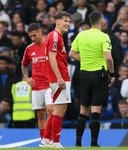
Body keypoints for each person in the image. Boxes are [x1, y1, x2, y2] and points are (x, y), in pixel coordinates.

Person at [69, 10, 115, 147]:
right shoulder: (104, 37)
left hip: (84, 75)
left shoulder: (81, 35)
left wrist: (86, 59)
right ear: (101, 21)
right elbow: (108, 58)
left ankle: (78, 143)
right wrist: (112, 74)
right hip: (99, 75)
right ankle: (94, 144)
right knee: (95, 110)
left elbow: (72, 54)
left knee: (83, 110)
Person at [41, 11, 71, 148]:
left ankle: (46, 140)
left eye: (69, 22)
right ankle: (56, 142)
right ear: (57, 21)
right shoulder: (54, 36)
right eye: (65, 21)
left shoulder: (57, 36)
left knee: (58, 109)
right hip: (58, 76)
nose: (68, 24)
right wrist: (59, 77)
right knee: (60, 110)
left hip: (60, 76)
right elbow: (51, 58)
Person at [21, 23, 54, 147]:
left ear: (41, 32)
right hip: (36, 86)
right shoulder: (29, 49)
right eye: (30, 37)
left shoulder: (49, 46)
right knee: (40, 115)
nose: (33, 38)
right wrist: (26, 78)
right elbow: (24, 64)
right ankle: (43, 142)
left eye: (34, 35)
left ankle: (48, 139)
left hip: (50, 84)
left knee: (51, 110)